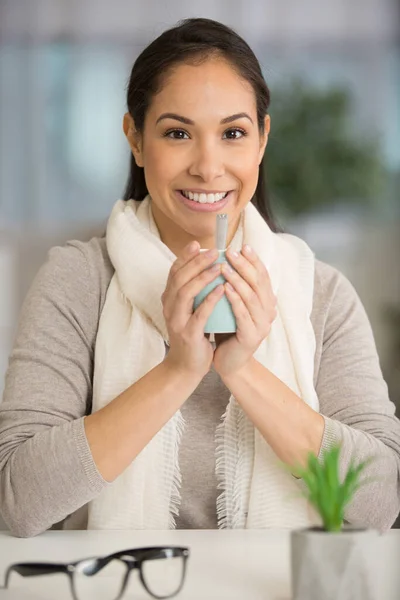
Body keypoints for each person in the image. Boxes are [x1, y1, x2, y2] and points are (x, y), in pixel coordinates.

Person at [0, 18, 399, 538]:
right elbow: (18, 503)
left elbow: (383, 500)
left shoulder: (319, 294)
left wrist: (241, 368)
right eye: (178, 133)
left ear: (261, 141)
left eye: (233, 133)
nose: (209, 167)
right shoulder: (78, 281)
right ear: (136, 141)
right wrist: (178, 370)